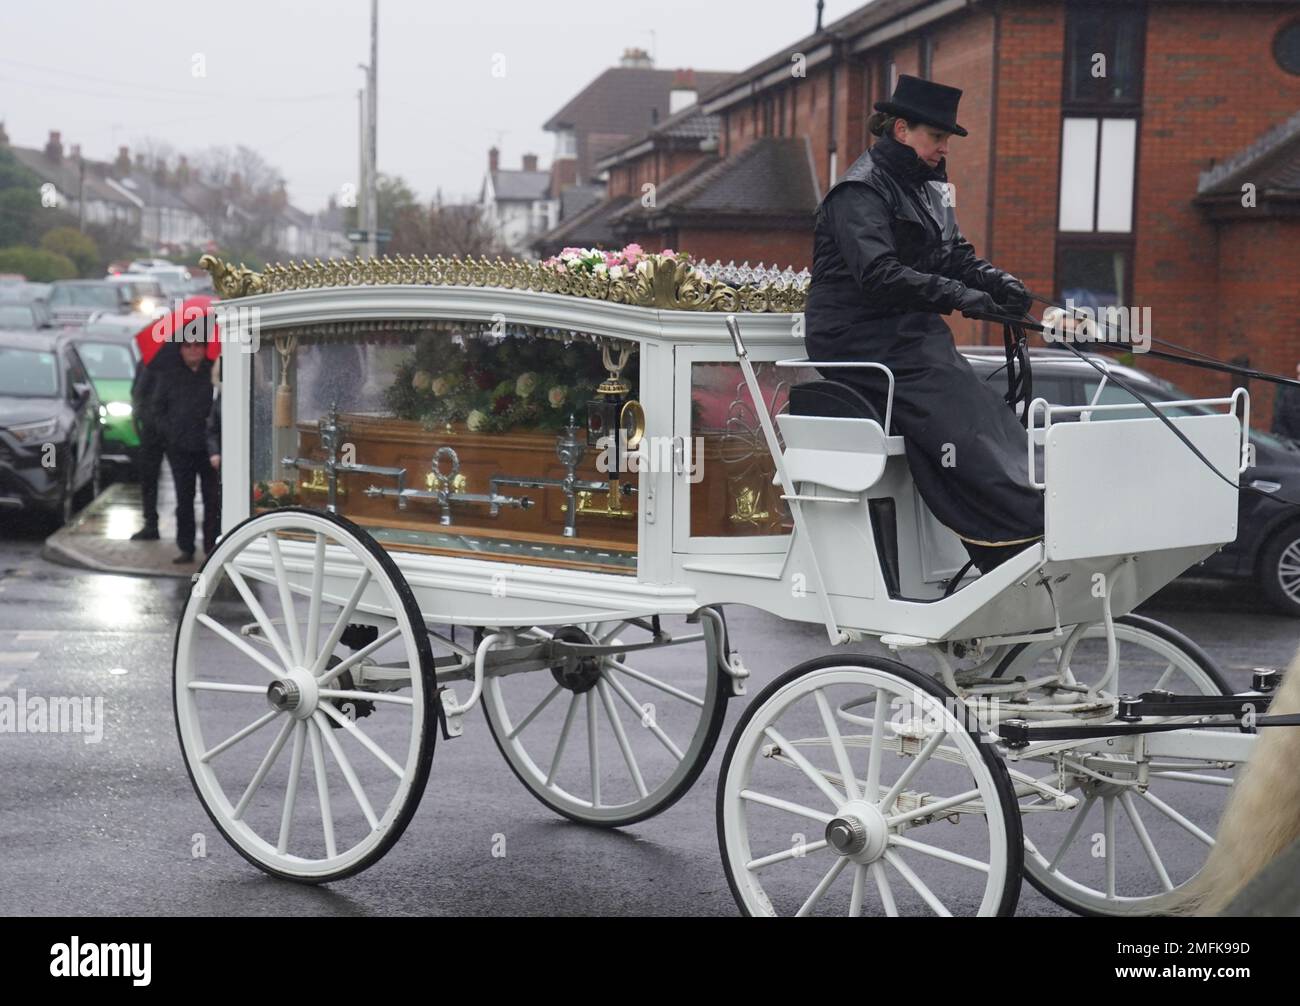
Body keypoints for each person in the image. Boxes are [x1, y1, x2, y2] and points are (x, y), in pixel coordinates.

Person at [805, 74, 1044, 575]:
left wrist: (997, 283)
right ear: (901, 130)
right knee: (952, 401)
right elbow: (879, 273)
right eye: (936, 137)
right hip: (856, 335)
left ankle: (1027, 507)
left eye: (946, 139)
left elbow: (953, 255)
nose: (942, 149)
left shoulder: (931, 187)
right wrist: (962, 297)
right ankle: (1013, 529)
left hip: (907, 331)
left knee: (980, 403)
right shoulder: (857, 191)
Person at [152, 339, 218, 563]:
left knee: (212, 498)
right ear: (181, 349)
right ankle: (186, 547)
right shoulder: (170, 374)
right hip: (179, 448)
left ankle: (212, 546)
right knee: (184, 499)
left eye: (198, 345)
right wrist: (170, 433)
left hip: (209, 449)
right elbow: (157, 409)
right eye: (188, 346)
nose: (193, 350)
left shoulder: (213, 372)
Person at [128, 360, 165, 541]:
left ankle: (152, 523)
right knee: (149, 479)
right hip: (152, 429)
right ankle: (150, 523)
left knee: (185, 485)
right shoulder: (147, 362)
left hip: (174, 429)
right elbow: (137, 393)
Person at [1272, 363, 1300, 441]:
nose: (1299, 377)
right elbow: (1279, 419)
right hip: (1290, 444)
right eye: (1298, 374)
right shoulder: (1289, 394)